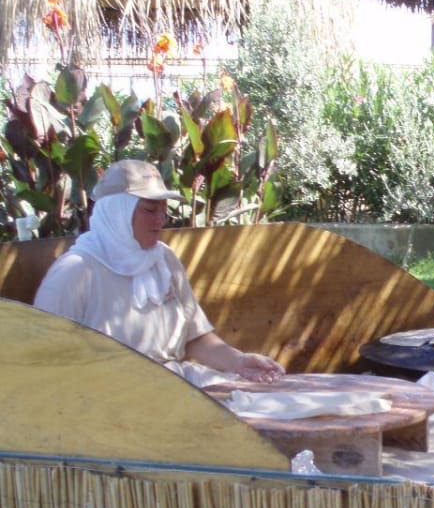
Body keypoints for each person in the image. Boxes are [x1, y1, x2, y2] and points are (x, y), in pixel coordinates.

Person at [34, 159, 285, 387]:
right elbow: (45, 361)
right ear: (118, 212)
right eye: (149, 210)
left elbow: (194, 337)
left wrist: (239, 361)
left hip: (174, 386)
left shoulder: (163, 259)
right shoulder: (75, 271)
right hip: (107, 400)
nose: (160, 221)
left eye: (163, 210)